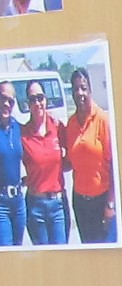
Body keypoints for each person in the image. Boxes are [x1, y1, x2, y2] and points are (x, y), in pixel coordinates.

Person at [62, 66, 114, 245]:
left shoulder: (102, 120)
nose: (80, 93)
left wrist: (110, 204)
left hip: (101, 202)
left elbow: (114, 164)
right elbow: (69, 161)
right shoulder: (71, 124)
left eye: (83, 87)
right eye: (76, 88)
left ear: (90, 89)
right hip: (80, 203)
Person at [19, 78, 66, 244]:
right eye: (33, 99)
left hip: (58, 205)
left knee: (62, 259)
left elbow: (71, 159)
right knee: (43, 260)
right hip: (35, 206)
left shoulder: (58, 128)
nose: (37, 103)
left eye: (40, 97)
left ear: (46, 99)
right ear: (27, 104)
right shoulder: (22, 134)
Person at [0, 82, 25, 246]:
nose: (6, 104)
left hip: (18, 201)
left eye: (11, 101)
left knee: (18, 251)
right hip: (1, 204)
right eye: (3, 98)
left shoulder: (18, 127)